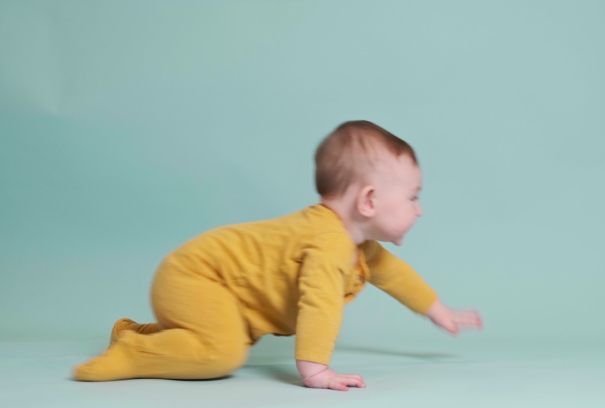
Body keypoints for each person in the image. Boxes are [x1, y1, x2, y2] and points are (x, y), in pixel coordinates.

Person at [73, 120, 483, 391]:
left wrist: (437, 309)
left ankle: (134, 332)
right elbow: (319, 305)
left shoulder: (359, 246)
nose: (419, 208)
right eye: (413, 197)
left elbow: (394, 275)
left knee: (223, 337)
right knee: (223, 354)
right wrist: (316, 368)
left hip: (215, 287)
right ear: (370, 201)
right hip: (195, 276)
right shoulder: (329, 243)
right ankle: (131, 355)